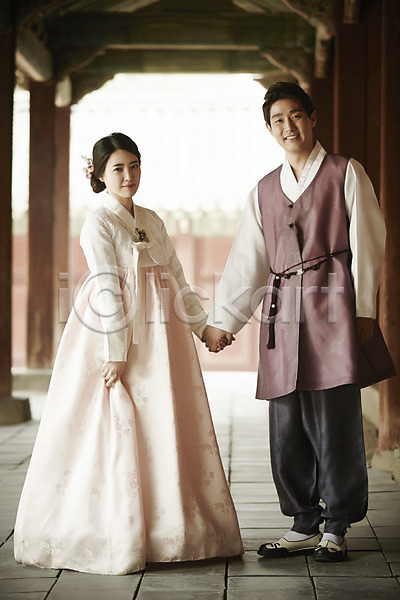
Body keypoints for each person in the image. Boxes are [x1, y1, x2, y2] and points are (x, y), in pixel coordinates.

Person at [14, 132, 243, 575]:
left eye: (134, 165)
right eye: (118, 168)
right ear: (100, 175)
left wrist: (202, 328)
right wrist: (115, 351)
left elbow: (176, 277)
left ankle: (170, 527)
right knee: (117, 422)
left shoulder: (152, 219)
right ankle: (116, 526)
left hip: (162, 335)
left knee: (163, 418)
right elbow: (106, 285)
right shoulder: (98, 222)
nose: (128, 175)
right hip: (115, 329)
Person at [203, 82, 395, 562]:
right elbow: (248, 258)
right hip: (283, 312)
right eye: (277, 120)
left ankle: (337, 525)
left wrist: (364, 308)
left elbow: (369, 239)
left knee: (334, 416)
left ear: (312, 118)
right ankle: (303, 522)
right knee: (286, 419)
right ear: (269, 129)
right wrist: (225, 321)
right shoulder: (264, 190)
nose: (288, 127)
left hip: (334, 307)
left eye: (295, 116)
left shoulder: (345, 172)